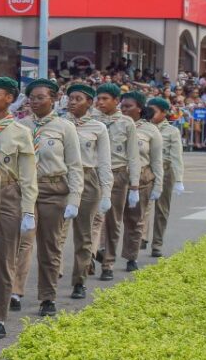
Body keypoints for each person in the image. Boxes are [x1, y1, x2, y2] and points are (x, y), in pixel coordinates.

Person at [13, 79, 83, 317]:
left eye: (41, 97)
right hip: (25, 192)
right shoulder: (20, 126)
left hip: (53, 191)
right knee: (21, 244)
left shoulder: (65, 127)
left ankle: (47, 296)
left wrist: (74, 198)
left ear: (53, 99)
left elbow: (74, 165)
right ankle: (15, 291)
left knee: (49, 247)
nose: (35, 101)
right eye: (31, 97)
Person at [0, 78, 36, 341]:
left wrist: (28, 210)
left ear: (10, 99)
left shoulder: (20, 132)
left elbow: (27, 176)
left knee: (4, 258)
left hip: (7, 193)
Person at [65, 82, 113, 300]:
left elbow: (104, 163)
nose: (72, 103)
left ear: (90, 103)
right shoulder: (60, 124)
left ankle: (79, 280)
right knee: (55, 235)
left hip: (87, 180)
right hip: (61, 180)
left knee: (83, 236)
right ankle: (50, 278)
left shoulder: (98, 128)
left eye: (78, 99)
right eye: (70, 98)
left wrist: (106, 193)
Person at [93, 83, 136, 281]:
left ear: (116, 101)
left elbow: (133, 156)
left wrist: (134, 184)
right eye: (98, 99)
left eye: (105, 99)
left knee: (112, 220)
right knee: (91, 220)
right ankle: (90, 257)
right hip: (93, 175)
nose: (100, 102)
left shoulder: (127, 123)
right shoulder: (91, 120)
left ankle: (108, 262)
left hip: (117, 175)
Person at [120, 92, 164, 268]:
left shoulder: (150, 130)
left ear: (139, 108)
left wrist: (158, 185)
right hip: (117, 176)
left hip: (142, 178)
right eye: (122, 106)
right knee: (106, 219)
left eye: (128, 106)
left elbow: (156, 160)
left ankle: (132, 257)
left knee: (135, 219)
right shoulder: (114, 126)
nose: (124, 110)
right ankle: (101, 254)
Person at [146, 96, 187, 257]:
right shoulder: (143, 128)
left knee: (161, 209)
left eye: (154, 111)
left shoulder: (172, 131)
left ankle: (157, 243)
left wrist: (178, 180)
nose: (150, 114)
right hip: (146, 170)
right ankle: (140, 239)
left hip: (165, 171)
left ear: (164, 113)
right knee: (140, 209)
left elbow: (176, 156)